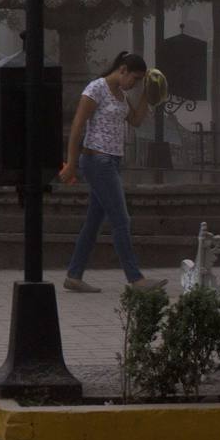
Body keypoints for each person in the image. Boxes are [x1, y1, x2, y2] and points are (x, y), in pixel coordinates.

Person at [59, 51, 166, 292]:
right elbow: (77, 125)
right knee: (121, 219)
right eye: (135, 78)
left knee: (93, 221)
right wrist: (71, 163)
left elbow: (136, 120)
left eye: (140, 81)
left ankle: (74, 275)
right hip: (97, 160)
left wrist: (148, 96)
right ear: (123, 69)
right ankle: (135, 279)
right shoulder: (95, 88)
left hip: (112, 161)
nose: (135, 83)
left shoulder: (122, 95)